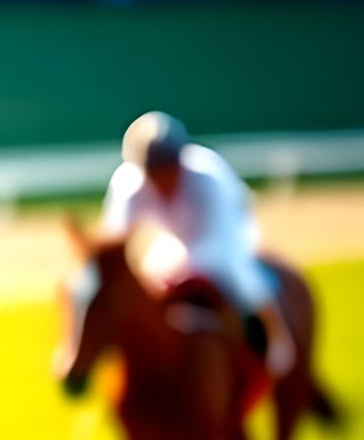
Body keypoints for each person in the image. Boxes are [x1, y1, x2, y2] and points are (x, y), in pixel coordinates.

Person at [100, 111, 297, 379]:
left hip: (226, 230)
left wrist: (178, 270)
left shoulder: (206, 177)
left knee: (237, 274)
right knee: (150, 275)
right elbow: (115, 239)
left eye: (169, 168)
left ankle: (277, 337)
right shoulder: (128, 185)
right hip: (176, 239)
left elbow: (218, 238)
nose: (163, 178)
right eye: (154, 171)